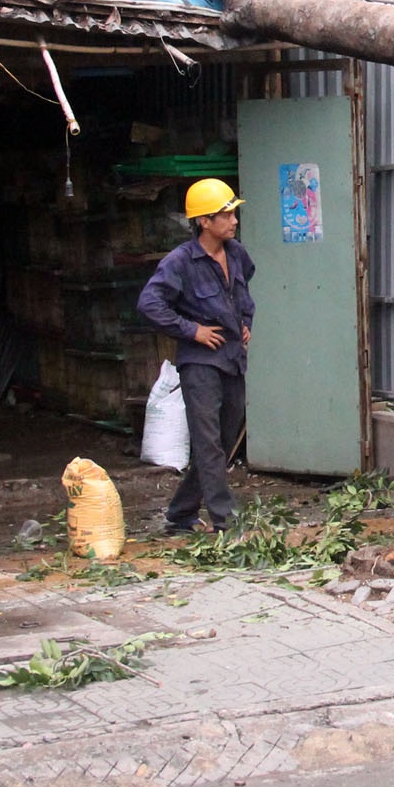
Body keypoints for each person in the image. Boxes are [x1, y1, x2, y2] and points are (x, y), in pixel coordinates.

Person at [138, 178, 255, 533]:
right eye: (226, 214)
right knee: (207, 442)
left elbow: (243, 293)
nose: (234, 220)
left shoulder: (236, 254)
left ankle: (180, 513)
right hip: (200, 365)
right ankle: (225, 521)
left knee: (222, 441)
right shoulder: (180, 262)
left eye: (234, 212)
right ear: (204, 221)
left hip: (232, 360)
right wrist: (193, 330)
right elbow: (149, 304)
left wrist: (245, 322)